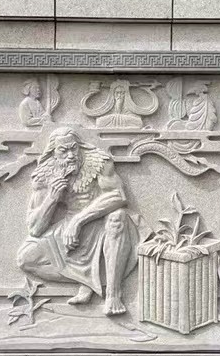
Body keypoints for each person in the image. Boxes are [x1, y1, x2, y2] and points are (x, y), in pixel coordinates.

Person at [16, 127, 137, 316]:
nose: (71, 155)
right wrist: (52, 199)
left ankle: (113, 294)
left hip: (101, 222)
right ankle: (87, 280)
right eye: (63, 151)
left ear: (80, 147)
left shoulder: (98, 162)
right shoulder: (44, 174)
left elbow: (118, 195)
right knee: (25, 259)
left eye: (74, 148)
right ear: (53, 153)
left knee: (118, 217)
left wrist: (78, 220)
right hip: (67, 228)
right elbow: (35, 228)